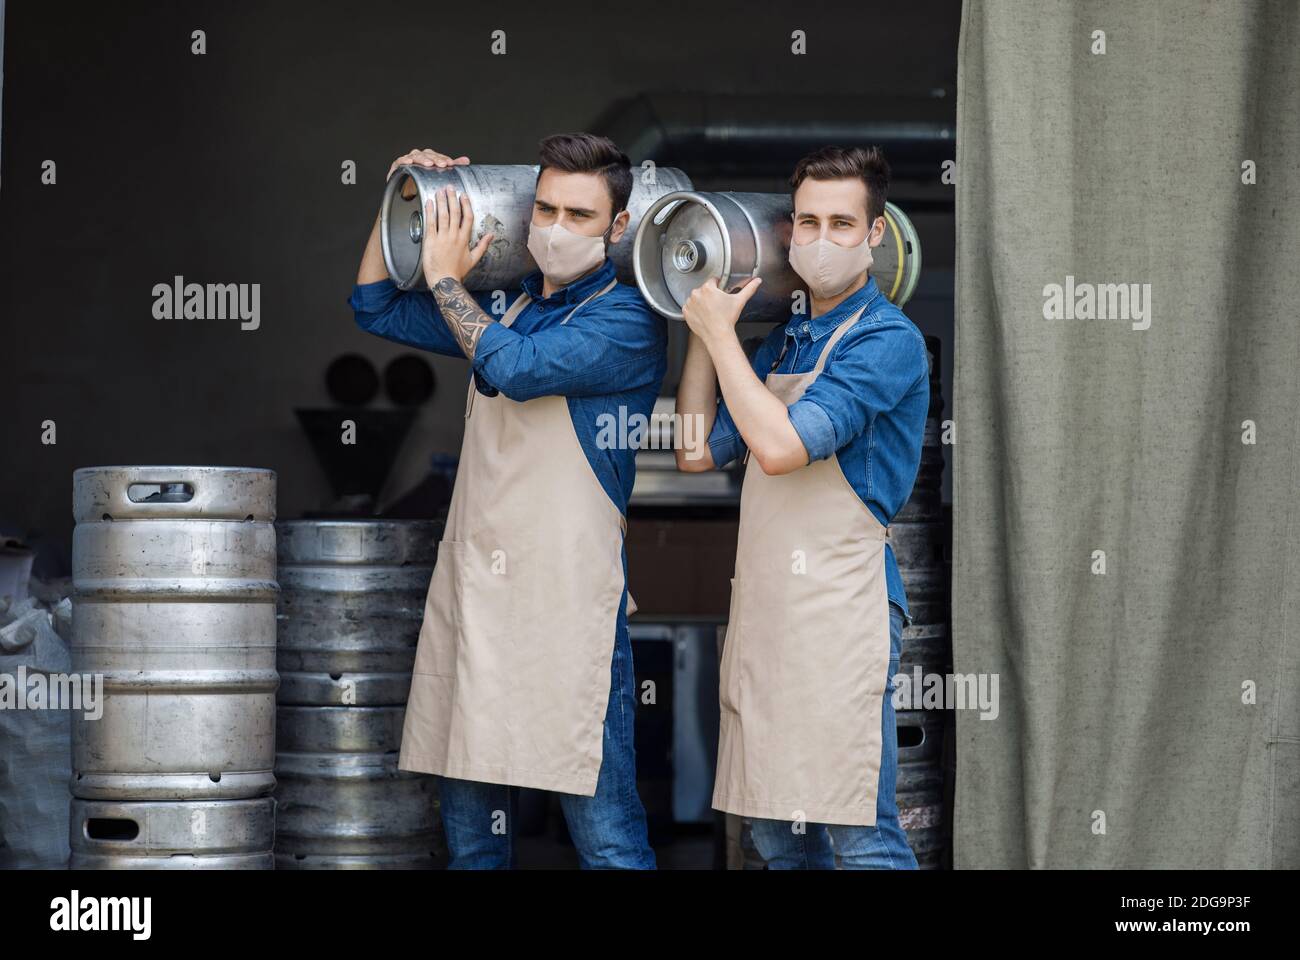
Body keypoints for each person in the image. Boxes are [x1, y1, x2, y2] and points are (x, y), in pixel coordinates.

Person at [349, 133, 664, 869]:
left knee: (609, 844)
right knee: (474, 849)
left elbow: (517, 372)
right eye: (545, 208)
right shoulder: (509, 305)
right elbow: (374, 309)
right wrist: (401, 198)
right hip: (477, 605)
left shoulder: (628, 322)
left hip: (567, 611)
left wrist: (446, 280)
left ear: (618, 227)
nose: (555, 227)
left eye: (579, 215)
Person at [674, 145, 929, 869]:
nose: (820, 240)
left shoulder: (887, 343)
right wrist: (702, 328)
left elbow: (783, 449)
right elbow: (695, 452)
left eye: (842, 224)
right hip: (767, 615)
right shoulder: (780, 341)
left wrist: (722, 338)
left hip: (842, 613)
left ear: (875, 234)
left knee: (857, 832)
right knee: (774, 838)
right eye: (807, 222)